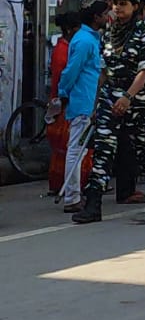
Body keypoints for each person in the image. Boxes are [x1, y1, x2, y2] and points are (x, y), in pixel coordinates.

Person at [72, 0, 145, 224]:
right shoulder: (108, 32)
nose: (117, 8)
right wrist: (96, 104)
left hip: (138, 101)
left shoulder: (144, 34)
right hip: (109, 98)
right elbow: (104, 71)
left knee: (143, 149)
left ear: (135, 6)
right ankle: (93, 203)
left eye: (123, 4)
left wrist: (127, 97)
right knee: (103, 151)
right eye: (115, 3)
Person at [50, 1, 109, 213]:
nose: (107, 16)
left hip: (88, 99)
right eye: (105, 13)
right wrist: (63, 93)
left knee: (79, 150)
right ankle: (72, 197)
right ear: (95, 17)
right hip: (84, 101)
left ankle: (74, 194)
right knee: (76, 150)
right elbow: (70, 71)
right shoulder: (85, 41)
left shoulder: (89, 39)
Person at [46, 11, 81, 198]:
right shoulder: (63, 50)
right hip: (65, 102)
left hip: (62, 101)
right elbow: (65, 78)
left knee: (64, 148)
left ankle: (61, 185)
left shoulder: (64, 47)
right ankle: (68, 188)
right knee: (68, 147)